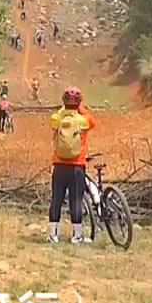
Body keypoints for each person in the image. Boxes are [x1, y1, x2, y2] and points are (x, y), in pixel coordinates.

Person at [47, 87, 96, 244]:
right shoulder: (83, 121)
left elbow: (55, 119)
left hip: (59, 165)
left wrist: (64, 110)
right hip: (77, 166)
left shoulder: (57, 119)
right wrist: (80, 109)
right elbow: (93, 122)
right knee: (76, 200)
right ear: (79, 102)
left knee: (56, 200)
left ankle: (53, 235)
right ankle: (77, 237)